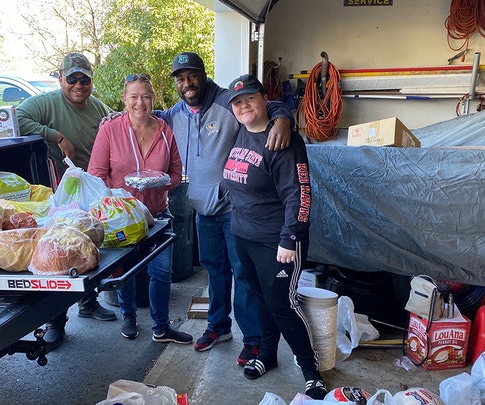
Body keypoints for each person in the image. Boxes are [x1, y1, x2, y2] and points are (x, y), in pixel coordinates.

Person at [154, 52, 293, 366]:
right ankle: (219, 327)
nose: (187, 83)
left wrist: (283, 118)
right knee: (214, 272)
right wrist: (115, 116)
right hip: (203, 209)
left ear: (204, 75)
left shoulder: (227, 100)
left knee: (244, 275)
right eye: (180, 78)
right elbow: (145, 115)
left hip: (235, 208)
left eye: (192, 76)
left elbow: (265, 105)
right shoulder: (174, 114)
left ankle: (254, 340)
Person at [222, 73, 327, 399]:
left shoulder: (284, 142)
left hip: (277, 242)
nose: (244, 106)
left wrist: (289, 238)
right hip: (244, 235)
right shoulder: (241, 131)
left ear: (263, 98)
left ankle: (312, 372)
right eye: (237, 102)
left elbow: (300, 196)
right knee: (261, 298)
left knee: (283, 304)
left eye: (250, 98)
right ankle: (267, 355)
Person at [16, 53, 117, 345]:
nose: (78, 85)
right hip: (58, 195)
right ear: (61, 77)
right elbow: (15, 118)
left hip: (90, 193)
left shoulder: (98, 107)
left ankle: (87, 303)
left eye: (84, 79)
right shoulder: (46, 102)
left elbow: (116, 123)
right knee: (56, 259)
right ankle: (55, 321)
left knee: (86, 254)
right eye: (72, 78)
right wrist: (55, 136)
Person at [87, 73, 192, 344]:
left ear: (153, 99)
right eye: (133, 96)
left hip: (157, 215)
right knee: (126, 272)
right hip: (121, 219)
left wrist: (160, 182)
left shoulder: (165, 131)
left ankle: (161, 327)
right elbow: (96, 175)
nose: (140, 102)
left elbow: (177, 174)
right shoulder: (110, 129)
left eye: (145, 96)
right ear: (124, 99)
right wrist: (113, 203)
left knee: (161, 273)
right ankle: (129, 316)